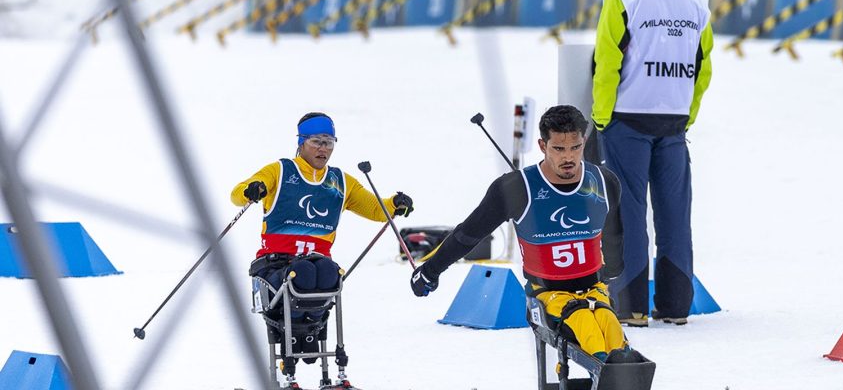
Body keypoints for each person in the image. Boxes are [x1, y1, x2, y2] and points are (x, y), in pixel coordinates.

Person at [410, 105, 629, 362]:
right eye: (558, 148)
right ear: (542, 145)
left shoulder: (604, 182)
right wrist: (430, 270)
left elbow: (614, 237)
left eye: (576, 147)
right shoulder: (517, 188)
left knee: (614, 336)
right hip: (548, 295)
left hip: (593, 290)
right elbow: (468, 234)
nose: (568, 157)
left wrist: (612, 270)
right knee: (591, 335)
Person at [232, 112, 413, 384]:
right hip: (276, 265)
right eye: (317, 141)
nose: (323, 149)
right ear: (302, 142)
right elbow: (236, 193)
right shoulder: (280, 172)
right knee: (303, 273)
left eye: (329, 142)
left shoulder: (340, 182)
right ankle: (292, 342)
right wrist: (251, 189)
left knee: (330, 273)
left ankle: (311, 333)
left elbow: (376, 209)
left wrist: (394, 203)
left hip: (317, 263)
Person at [588, 0, 714, 327]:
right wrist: (687, 116)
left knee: (627, 212)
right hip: (673, 120)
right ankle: (675, 306)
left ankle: (632, 307)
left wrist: (601, 117)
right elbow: (703, 66)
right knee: (675, 215)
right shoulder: (697, 0)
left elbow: (607, 58)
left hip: (626, 118)